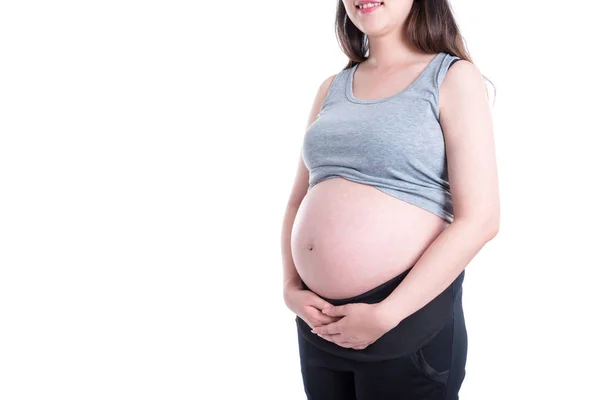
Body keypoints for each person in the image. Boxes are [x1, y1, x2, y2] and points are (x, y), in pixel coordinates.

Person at [280, 0, 499, 399]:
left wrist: (387, 314)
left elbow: (480, 219)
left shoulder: (452, 77)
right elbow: (299, 200)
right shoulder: (332, 88)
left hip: (403, 319)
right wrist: (291, 288)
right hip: (319, 323)